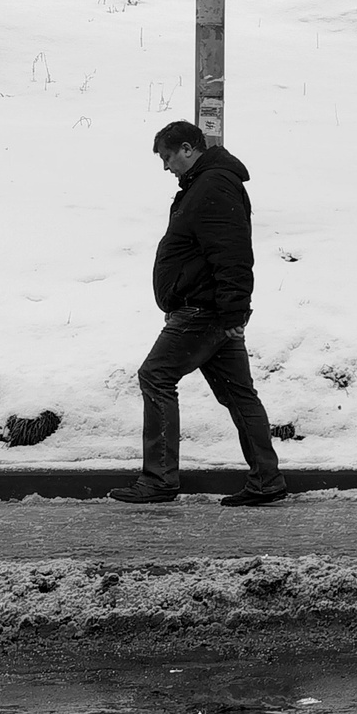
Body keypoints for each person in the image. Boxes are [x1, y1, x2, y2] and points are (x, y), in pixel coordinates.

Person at [116, 120, 285, 507]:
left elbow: (233, 254)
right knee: (238, 394)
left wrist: (232, 315)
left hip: (205, 311)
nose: (165, 166)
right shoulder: (205, 184)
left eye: (167, 156)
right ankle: (266, 479)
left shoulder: (213, 185)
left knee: (156, 376)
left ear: (188, 149)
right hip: (214, 310)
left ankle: (159, 479)